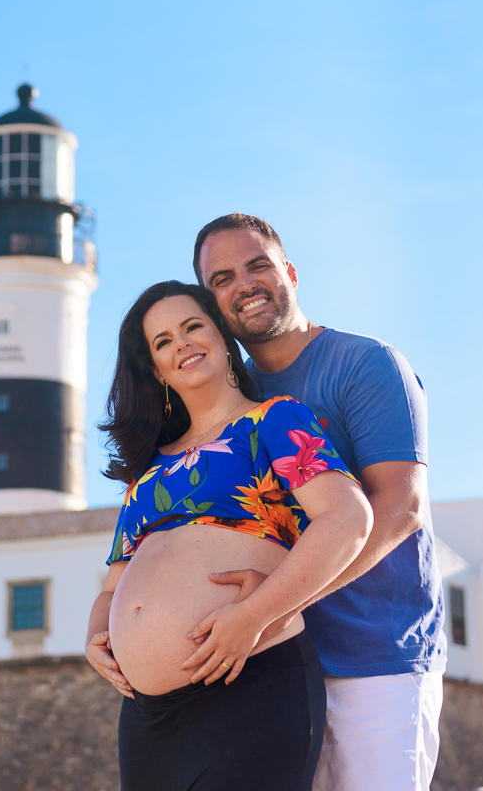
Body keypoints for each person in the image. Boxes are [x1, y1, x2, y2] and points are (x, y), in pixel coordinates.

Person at [192, 213, 445, 791]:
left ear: (290, 272)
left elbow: (402, 509)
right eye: (222, 278)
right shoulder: (237, 401)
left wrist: (267, 611)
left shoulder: (366, 363)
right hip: (275, 671)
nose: (244, 285)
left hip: (376, 660)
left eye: (258, 265)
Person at [85, 280, 372, 791]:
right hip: (148, 717)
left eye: (193, 326)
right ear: (157, 370)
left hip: (251, 678)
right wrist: (95, 639)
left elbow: (348, 519)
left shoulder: (273, 420)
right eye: (164, 341)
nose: (183, 344)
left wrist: (253, 617)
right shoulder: (147, 473)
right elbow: (112, 588)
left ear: (222, 337)